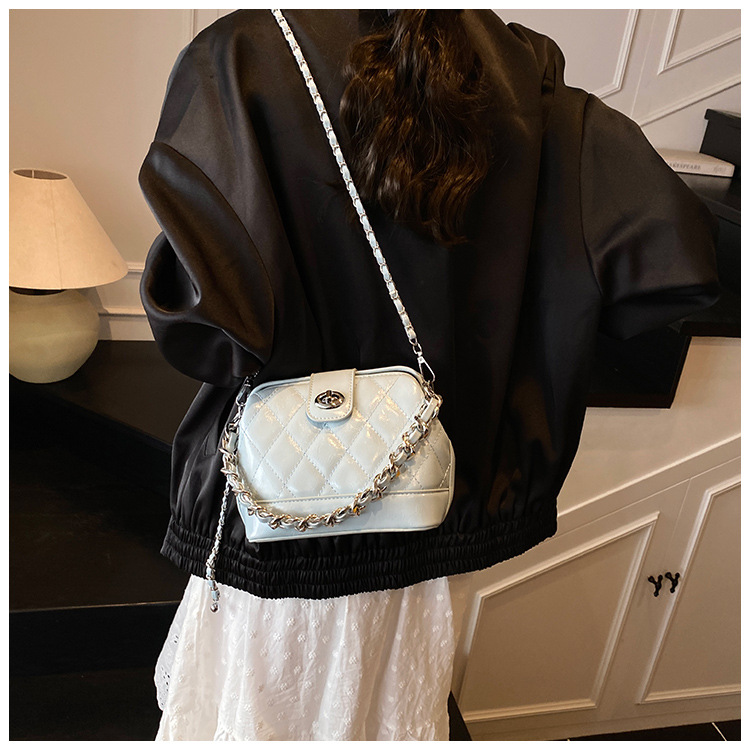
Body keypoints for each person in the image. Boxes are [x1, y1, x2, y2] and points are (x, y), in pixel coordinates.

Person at [138, 10, 720, 741]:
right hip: (435, 500)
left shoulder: (240, 58)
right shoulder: (524, 77)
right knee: (394, 710)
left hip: (279, 516)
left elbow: (205, 334)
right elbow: (677, 265)